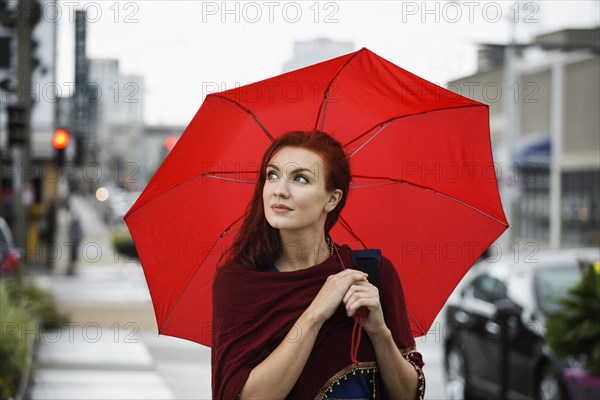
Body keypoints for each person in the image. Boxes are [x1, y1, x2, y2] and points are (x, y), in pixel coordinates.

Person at [211, 131, 425, 399]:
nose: (279, 190)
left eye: (300, 179)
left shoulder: (371, 274)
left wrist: (379, 333)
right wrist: (315, 315)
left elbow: (408, 395)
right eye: (272, 175)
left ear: (332, 199)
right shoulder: (240, 282)